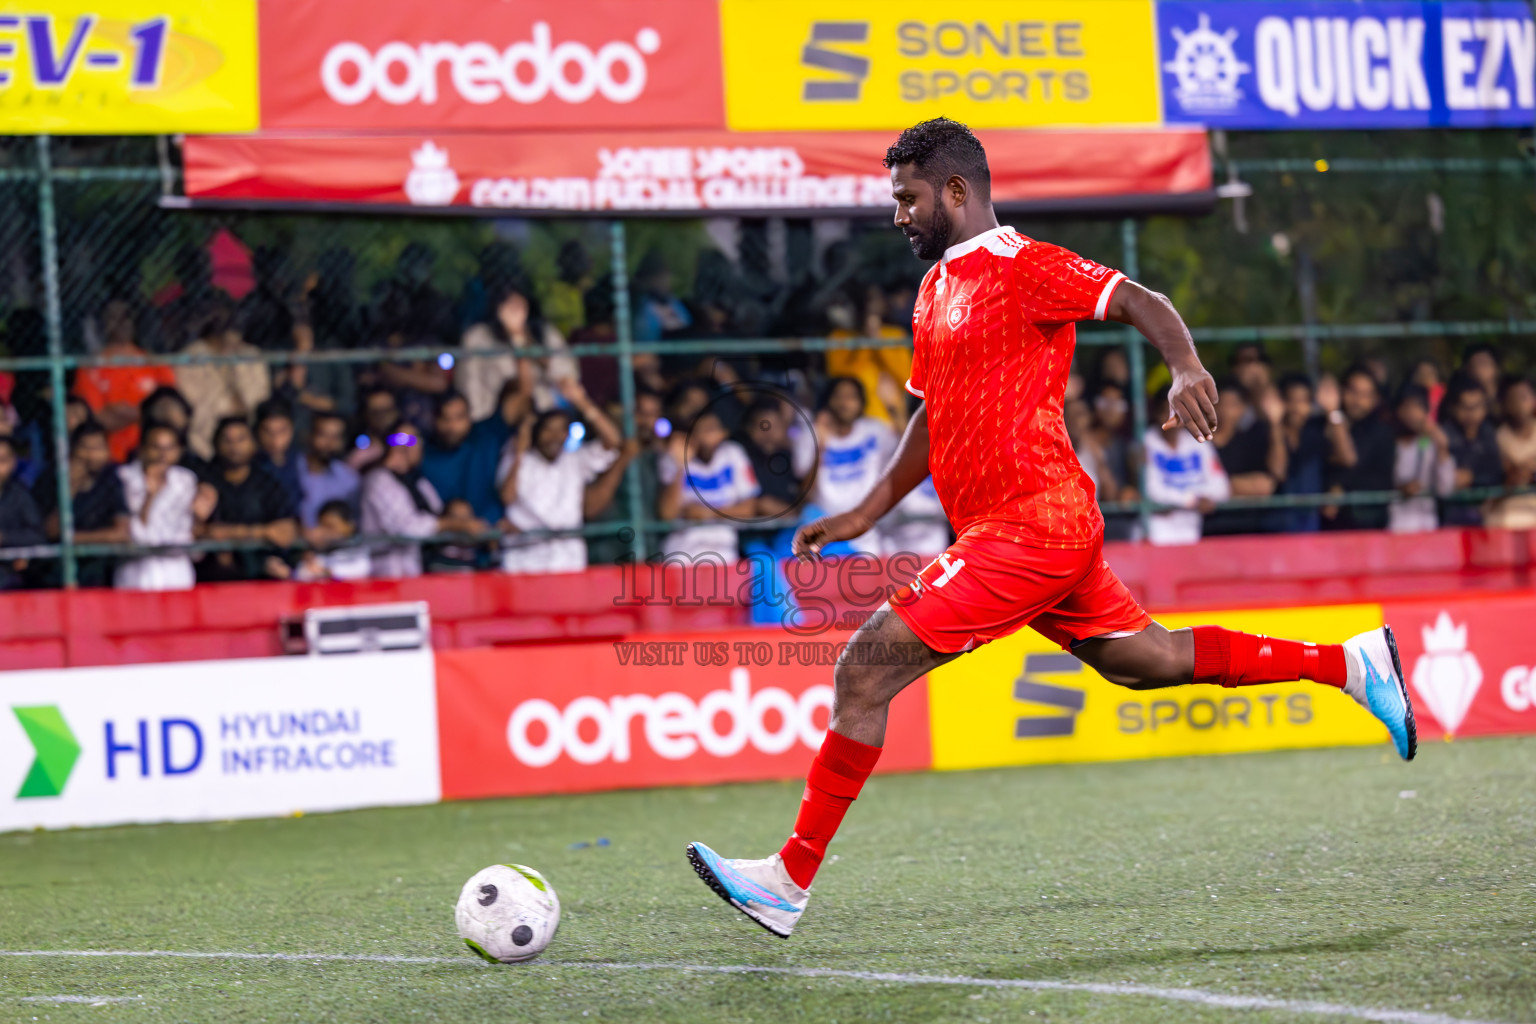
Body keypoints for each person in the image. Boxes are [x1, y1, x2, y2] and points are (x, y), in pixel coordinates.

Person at [683, 117, 1417, 939]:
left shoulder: (1022, 264)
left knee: (865, 669)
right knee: (1151, 662)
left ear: (955, 192)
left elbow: (1140, 299)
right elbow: (930, 421)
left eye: (908, 197)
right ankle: (1351, 665)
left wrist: (1186, 367)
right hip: (1020, 531)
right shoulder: (932, 290)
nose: (898, 215)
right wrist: (860, 514)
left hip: (1032, 525)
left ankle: (787, 879)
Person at [497, 382, 632, 575]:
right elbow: (507, 496)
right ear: (536, 431)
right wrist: (520, 451)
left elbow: (612, 442)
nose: (555, 437)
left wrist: (582, 401)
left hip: (568, 560)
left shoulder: (574, 459)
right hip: (524, 561)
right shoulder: (518, 458)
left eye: (561, 430)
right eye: (548, 430)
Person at [359, 423, 485, 579]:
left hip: (423, 571)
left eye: (413, 441)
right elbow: (405, 528)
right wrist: (453, 524)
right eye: (401, 441)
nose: (409, 446)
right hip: (391, 573)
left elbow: (436, 513)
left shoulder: (418, 481)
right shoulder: (379, 480)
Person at [792, 377, 897, 555]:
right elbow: (805, 492)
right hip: (824, 532)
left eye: (851, 397)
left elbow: (909, 452)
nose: (844, 403)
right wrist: (821, 446)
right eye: (838, 396)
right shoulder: (812, 434)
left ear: (861, 402)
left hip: (867, 533)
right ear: (828, 401)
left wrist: (894, 408)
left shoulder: (875, 430)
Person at [74, 299, 177, 463]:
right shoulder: (91, 367)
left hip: (155, 456)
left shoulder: (154, 362)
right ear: (104, 323)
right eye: (113, 317)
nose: (121, 323)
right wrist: (147, 412)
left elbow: (170, 412)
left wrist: (118, 411)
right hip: (108, 460)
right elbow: (96, 418)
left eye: (126, 316)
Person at [115, 421, 215, 591]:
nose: (162, 455)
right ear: (142, 449)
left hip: (177, 574)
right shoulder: (124, 478)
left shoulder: (185, 480)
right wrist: (150, 496)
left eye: (169, 448)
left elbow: (190, 539)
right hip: (137, 574)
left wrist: (199, 518)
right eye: (156, 447)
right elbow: (137, 535)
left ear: (178, 451)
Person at [459, 278, 576, 422]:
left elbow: (566, 375)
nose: (514, 309)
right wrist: (477, 421)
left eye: (519, 303)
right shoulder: (477, 337)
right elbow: (470, 384)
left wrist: (521, 338)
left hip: (544, 416)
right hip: (494, 417)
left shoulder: (545, 333)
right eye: (507, 303)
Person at [199, 417, 298, 582]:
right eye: (227, 440)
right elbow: (202, 532)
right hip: (213, 579)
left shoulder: (268, 483)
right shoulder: (204, 482)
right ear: (216, 444)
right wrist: (264, 531)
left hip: (261, 575)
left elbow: (285, 532)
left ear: (253, 443)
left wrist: (230, 532)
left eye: (241, 439)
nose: (234, 447)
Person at [33, 421, 130, 588]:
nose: (90, 456)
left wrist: (71, 538)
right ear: (72, 451)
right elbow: (50, 531)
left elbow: (121, 534)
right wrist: (70, 486)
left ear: (107, 451)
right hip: (55, 573)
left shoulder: (112, 478)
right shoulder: (50, 478)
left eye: (97, 448)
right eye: (85, 448)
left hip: (100, 572)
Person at [657, 409, 759, 564]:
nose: (703, 436)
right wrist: (679, 466)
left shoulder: (733, 453)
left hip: (724, 547)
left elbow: (749, 509)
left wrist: (708, 513)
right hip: (683, 550)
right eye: (697, 431)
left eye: (710, 429)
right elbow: (667, 514)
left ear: (723, 433)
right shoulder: (675, 456)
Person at [422, 384, 529, 526]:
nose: (452, 426)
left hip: (494, 536)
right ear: (434, 420)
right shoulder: (422, 454)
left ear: (469, 416)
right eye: (445, 418)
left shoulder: (485, 436)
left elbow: (523, 398)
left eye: (459, 417)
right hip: (445, 542)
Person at [177, 301, 271, 460]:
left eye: (230, 319)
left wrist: (232, 368)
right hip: (204, 445)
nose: (226, 325)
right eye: (218, 319)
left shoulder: (250, 355)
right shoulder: (189, 359)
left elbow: (260, 401)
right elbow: (193, 411)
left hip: (250, 441)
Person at [1142, 387, 1230, 545]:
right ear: (1156, 414)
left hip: (1193, 534)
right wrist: (1193, 500)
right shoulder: (1145, 443)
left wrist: (1193, 499)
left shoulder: (1198, 442)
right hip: (1156, 536)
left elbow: (1221, 487)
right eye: (1166, 412)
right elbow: (1151, 491)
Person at [825, 285, 914, 430]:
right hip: (851, 423)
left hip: (889, 422)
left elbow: (906, 377)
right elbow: (840, 378)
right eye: (866, 302)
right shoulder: (838, 337)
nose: (871, 308)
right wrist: (866, 340)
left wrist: (878, 341)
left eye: (876, 301)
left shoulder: (896, 335)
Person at [1203, 380, 1284, 536]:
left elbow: (1265, 485)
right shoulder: (1195, 444)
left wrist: (1275, 423)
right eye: (1220, 404)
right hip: (1207, 529)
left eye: (1232, 405)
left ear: (1242, 409)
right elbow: (1193, 488)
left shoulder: (1250, 442)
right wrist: (1236, 487)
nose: (1224, 410)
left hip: (1247, 529)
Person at [1324, 366, 1395, 531]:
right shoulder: (1324, 425)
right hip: (1330, 529)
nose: (1357, 400)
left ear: (1375, 399)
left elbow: (1350, 459)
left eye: (1364, 395)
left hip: (1368, 525)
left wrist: (1334, 414)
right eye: (1352, 391)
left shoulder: (1381, 430)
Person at [1388, 385, 1455, 534]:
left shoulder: (1431, 444)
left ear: (1426, 412)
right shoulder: (1388, 445)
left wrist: (1442, 447)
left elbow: (1445, 489)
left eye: (1417, 407)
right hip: (1394, 526)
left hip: (1427, 525)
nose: (1412, 414)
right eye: (1407, 407)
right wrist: (1401, 489)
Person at [1272, 374, 1331, 533]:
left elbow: (1348, 459)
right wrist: (1275, 425)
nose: (1296, 407)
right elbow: (1278, 471)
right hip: (1276, 525)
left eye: (1303, 401)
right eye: (1291, 400)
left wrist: (1333, 411)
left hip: (1311, 525)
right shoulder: (1269, 433)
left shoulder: (1316, 432)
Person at [1441, 377, 1503, 527]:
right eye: (1464, 407)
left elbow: (1497, 473)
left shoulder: (1490, 434)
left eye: (1475, 406)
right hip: (1448, 513)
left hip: (1485, 511)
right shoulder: (1443, 435)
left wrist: (1473, 477)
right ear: (1453, 407)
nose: (1470, 413)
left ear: (1485, 408)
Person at [298, 412, 360, 530]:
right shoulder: (291, 471)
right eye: (323, 435)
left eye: (335, 437)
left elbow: (353, 523)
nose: (329, 443)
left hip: (336, 547)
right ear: (309, 435)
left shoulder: (349, 479)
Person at [1488, 376, 1536, 530]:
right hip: (1506, 511)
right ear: (1504, 405)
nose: (1519, 405)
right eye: (1513, 399)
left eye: (1523, 397)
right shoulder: (1495, 439)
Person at [0, 435, 43, 589]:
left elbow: (37, 535)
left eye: (2, 460)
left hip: (8, 574)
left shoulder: (20, 495)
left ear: (13, 463)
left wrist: (4, 538)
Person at [295, 499, 371, 582]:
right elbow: (302, 573)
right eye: (322, 527)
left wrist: (328, 572)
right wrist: (310, 565)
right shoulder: (318, 552)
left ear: (349, 526)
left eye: (331, 527)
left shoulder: (356, 549)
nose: (326, 532)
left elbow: (361, 569)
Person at [254, 400, 304, 516]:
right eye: (268, 432)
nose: (275, 439)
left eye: (282, 431)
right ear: (257, 431)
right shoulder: (247, 466)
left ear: (292, 430)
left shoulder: (303, 462)